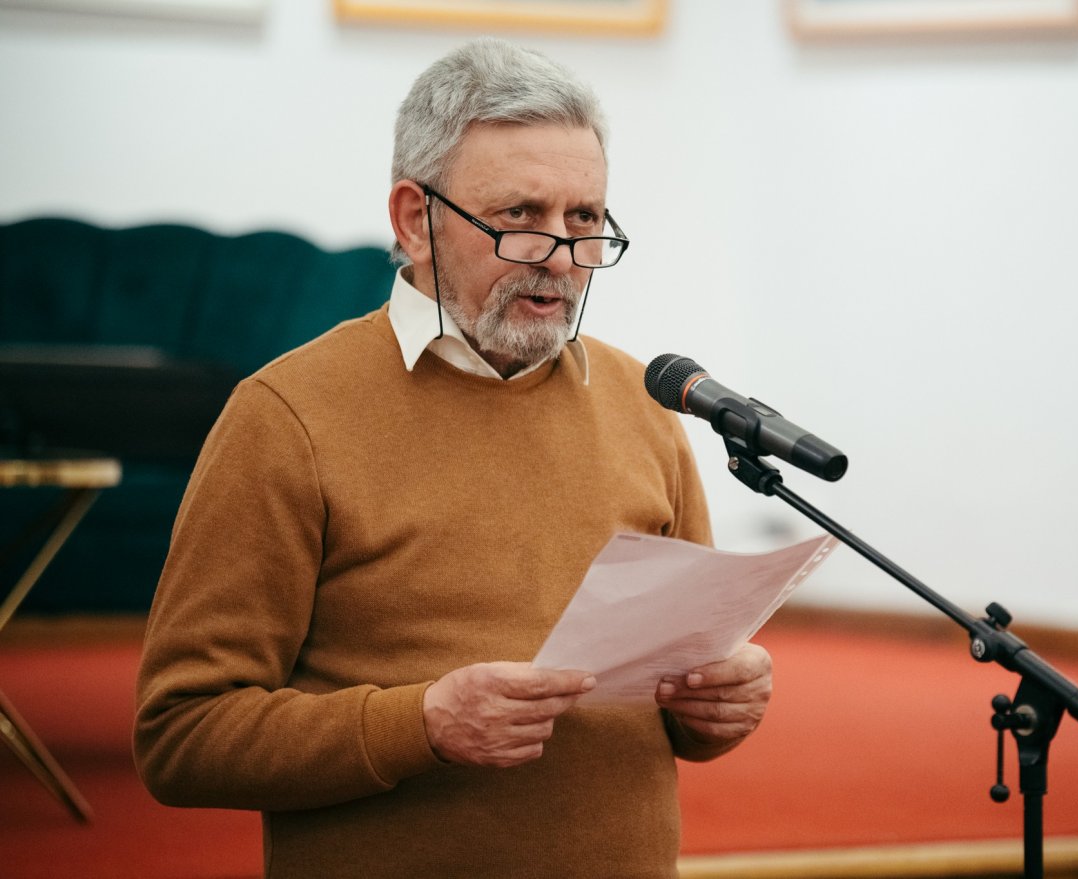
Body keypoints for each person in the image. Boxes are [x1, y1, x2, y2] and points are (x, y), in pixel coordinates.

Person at [133, 38, 773, 878]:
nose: (560, 255)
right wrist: (423, 722)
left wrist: (719, 703)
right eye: (519, 217)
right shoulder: (286, 417)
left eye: (584, 220)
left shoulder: (645, 405)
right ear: (413, 219)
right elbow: (182, 735)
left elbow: (682, 702)